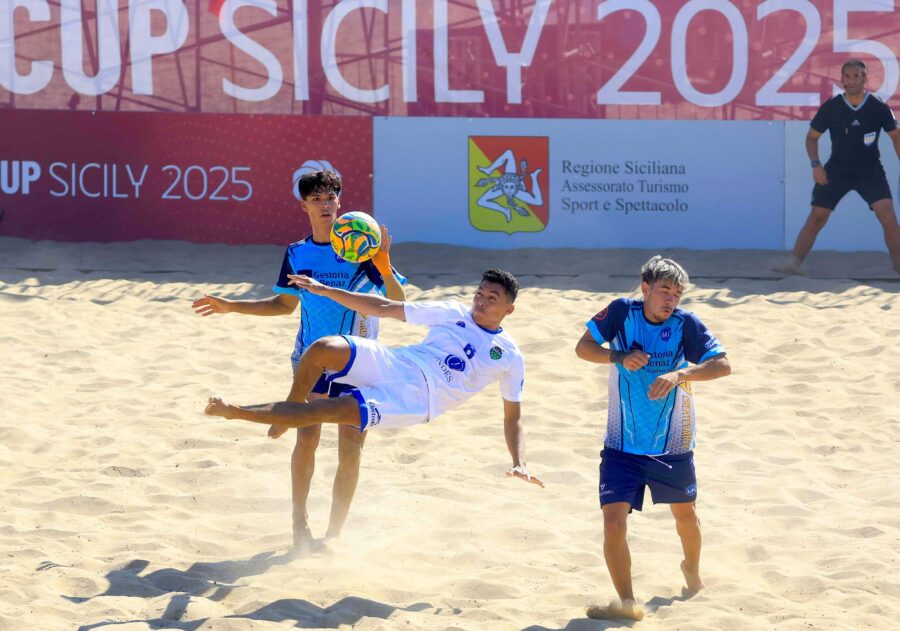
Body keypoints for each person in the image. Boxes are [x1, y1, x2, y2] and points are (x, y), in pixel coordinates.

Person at [191, 170, 406, 552]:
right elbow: (283, 305)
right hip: (312, 360)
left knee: (350, 447)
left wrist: (385, 264)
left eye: (330, 198)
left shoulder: (362, 248)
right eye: (316, 199)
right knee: (307, 436)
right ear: (303, 206)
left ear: (340, 202)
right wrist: (231, 306)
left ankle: (334, 534)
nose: (325, 205)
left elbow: (397, 303)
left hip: (358, 361)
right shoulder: (297, 253)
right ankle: (299, 523)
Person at [203, 269, 544, 490]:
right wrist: (324, 290)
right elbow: (382, 307)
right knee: (323, 347)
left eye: (492, 299)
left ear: (509, 309)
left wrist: (519, 463)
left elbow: (513, 417)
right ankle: (286, 411)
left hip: (417, 400)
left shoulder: (510, 356)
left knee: (323, 412)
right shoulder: (453, 311)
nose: (481, 302)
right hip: (400, 362)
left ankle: (235, 411)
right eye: (480, 293)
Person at [574, 256, 730, 621]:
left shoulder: (685, 324)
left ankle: (691, 569)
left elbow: (723, 365)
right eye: (664, 291)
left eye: (677, 294)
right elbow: (583, 348)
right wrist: (617, 356)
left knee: (686, 516)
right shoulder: (620, 312)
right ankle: (627, 602)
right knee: (613, 522)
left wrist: (680, 374)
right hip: (621, 445)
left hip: (670, 444)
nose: (670, 300)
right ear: (645, 288)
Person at [785, 59, 900, 275]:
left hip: (870, 170)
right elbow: (811, 138)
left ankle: (898, 267)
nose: (851, 80)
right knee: (817, 216)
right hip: (837, 170)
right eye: (847, 76)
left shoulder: (879, 108)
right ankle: (793, 265)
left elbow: (896, 137)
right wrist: (816, 165)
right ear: (842, 80)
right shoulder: (832, 107)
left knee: (888, 215)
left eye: (857, 76)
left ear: (865, 79)